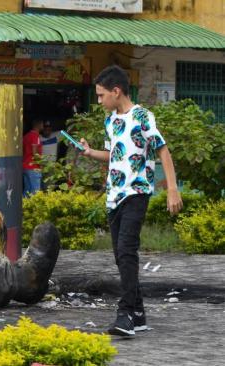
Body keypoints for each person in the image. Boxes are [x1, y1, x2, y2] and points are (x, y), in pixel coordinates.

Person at [79, 65, 183, 337]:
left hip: (137, 192)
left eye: (102, 95)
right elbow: (113, 154)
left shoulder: (142, 117)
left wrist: (172, 189)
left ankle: (124, 314)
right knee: (121, 256)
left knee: (126, 251)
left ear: (117, 91)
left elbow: (163, 150)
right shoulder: (110, 121)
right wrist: (91, 153)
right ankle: (138, 314)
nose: (99, 100)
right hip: (114, 196)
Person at [22, 119, 44, 197]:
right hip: (33, 167)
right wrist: (40, 164)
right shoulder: (35, 135)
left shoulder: (26, 136)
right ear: (39, 125)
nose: (43, 126)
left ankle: (23, 208)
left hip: (25, 166)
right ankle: (34, 209)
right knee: (36, 192)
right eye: (42, 124)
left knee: (27, 191)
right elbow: (35, 152)